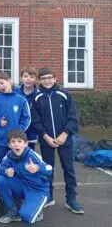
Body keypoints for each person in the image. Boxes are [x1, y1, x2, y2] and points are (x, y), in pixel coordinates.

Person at [31, 68, 84, 214]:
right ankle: (49, 197)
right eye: (43, 78)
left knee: (69, 168)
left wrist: (64, 134)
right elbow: (36, 121)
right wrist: (46, 137)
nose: (47, 81)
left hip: (65, 139)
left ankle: (71, 199)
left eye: (49, 78)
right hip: (46, 140)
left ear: (55, 78)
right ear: (39, 81)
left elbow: (73, 118)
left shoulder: (64, 95)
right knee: (48, 169)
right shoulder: (37, 98)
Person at [0, 130, 52, 224]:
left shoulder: (32, 155)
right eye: (13, 142)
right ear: (9, 145)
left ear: (26, 143)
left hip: (37, 190)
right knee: (0, 179)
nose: (16, 144)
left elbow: (49, 169)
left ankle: (35, 207)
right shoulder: (9, 156)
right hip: (22, 186)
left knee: (26, 217)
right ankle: (13, 212)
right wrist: (5, 171)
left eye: (19, 141)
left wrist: (37, 168)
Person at [0, 72, 31, 163]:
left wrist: (18, 132)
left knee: (15, 165)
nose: (0, 86)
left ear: (9, 81)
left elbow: (26, 118)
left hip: (14, 141)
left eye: (2, 83)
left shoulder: (21, 100)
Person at [14, 67, 40, 150]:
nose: (28, 79)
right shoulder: (14, 92)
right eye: (25, 76)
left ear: (36, 79)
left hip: (31, 132)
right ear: (21, 78)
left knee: (28, 156)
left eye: (31, 77)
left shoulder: (39, 95)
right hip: (15, 130)